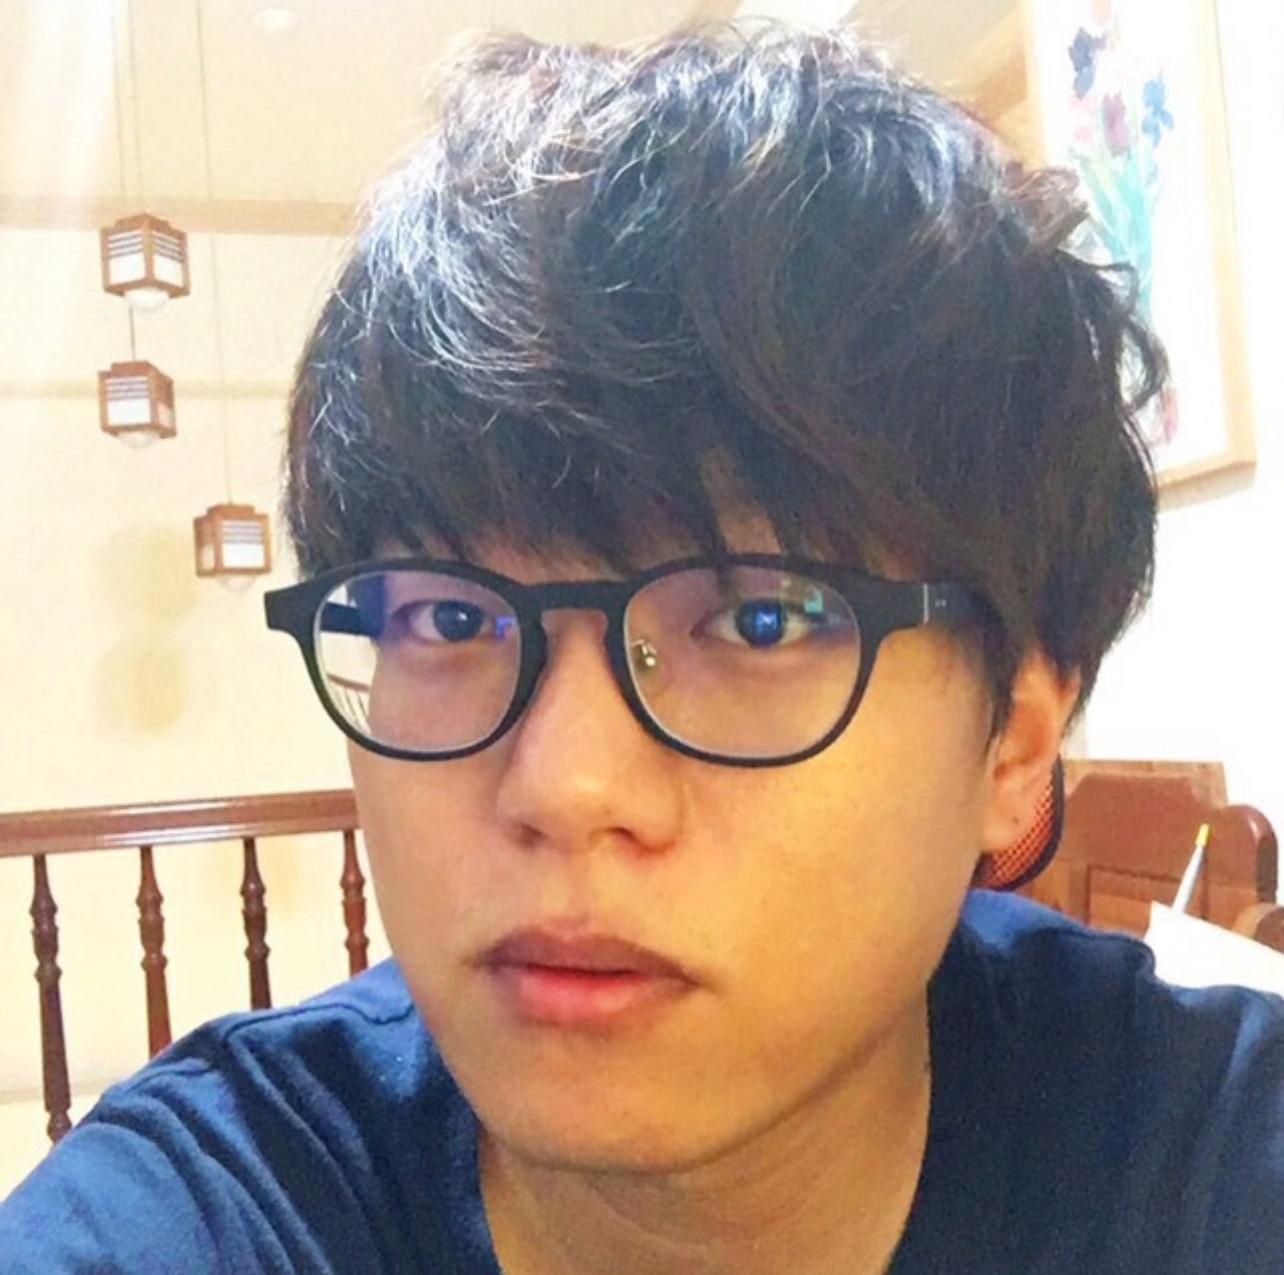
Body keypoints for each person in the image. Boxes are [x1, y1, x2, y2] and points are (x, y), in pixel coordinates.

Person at [3, 21, 1281, 1275]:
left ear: (1017, 736)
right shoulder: (219, 1209)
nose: (565, 786)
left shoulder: (1207, 1161)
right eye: (450, 618)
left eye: (761, 619)